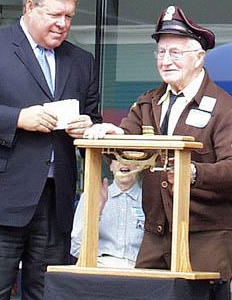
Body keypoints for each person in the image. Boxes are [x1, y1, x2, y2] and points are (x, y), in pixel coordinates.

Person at [0, 0, 102, 299]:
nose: (63, 23)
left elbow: (94, 119)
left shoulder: (82, 60)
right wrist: (17, 118)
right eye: (55, 14)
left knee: (48, 295)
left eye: (69, 16)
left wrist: (88, 127)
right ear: (29, 6)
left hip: (56, 205)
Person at [84, 5, 232, 282]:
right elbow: (127, 147)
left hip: (205, 238)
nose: (166, 60)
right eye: (161, 52)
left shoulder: (224, 108)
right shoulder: (148, 102)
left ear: (199, 58)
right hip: (155, 235)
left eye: (175, 53)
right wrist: (112, 138)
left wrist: (195, 173)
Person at [71, 158, 144, 268]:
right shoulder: (93, 195)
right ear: (110, 166)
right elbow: (76, 248)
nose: (124, 163)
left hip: (139, 270)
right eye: (117, 159)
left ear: (139, 166)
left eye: (129, 159)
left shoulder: (151, 200)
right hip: (100, 268)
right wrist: (96, 212)